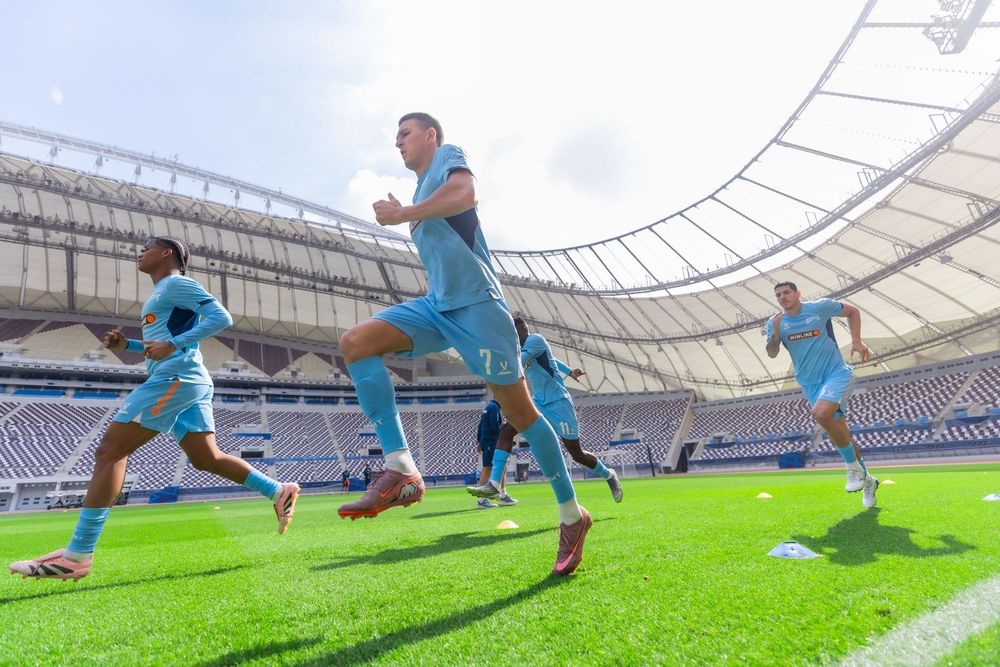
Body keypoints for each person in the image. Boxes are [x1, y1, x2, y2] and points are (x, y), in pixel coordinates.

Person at [336, 112, 592, 575]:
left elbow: (465, 195)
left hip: (478, 307)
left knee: (521, 415)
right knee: (356, 342)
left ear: (430, 135)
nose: (397, 142)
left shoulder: (449, 159)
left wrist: (403, 214)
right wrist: (409, 209)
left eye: (405, 133)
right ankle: (401, 468)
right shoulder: (420, 190)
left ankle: (573, 516)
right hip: (438, 307)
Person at [8, 238, 300, 581]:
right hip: (187, 379)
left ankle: (77, 554)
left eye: (146, 247)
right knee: (206, 458)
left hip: (175, 379)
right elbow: (161, 344)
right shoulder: (161, 293)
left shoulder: (176, 284)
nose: (139, 252)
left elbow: (221, 317)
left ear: (166, 253)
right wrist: (129, 345)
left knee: (111, 451)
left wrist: (173, 344)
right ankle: (278, 490)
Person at [468, 317, 623, 503]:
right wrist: (569, 371)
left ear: (521, 332)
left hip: (559, 403)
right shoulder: (522, 349)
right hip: (539, 402)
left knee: (577, 454)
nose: (517, 336)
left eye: (518, 332)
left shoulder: (535, 340)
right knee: (506, 430)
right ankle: (494, 484)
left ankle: (608, 474)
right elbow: (551, 360)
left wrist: (493, 362)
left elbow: (519, 364)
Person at [766, 281, 878, 507]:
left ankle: (853, 470)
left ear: (798, 293)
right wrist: (776, 332)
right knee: (843, 434)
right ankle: (868, 481)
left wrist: (856, 340)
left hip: (836, 373)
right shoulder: (775, 322)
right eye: (778, 295)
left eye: (787, 292)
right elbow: (771, 353)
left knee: (820, 413)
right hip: (810, 384)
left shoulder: (819, 307)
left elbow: (852, 311)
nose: (783, 297)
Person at [474, 398, 517, 508]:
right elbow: (495, 427)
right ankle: (483, 500)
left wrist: (479, 442)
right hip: (491, 442)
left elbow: (480, 426)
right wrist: (504, 440)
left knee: (501, 467)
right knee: (488, 468)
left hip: (487, 441)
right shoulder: (494, 408)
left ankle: (502, 495)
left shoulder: (488, 407)